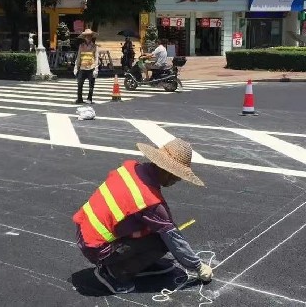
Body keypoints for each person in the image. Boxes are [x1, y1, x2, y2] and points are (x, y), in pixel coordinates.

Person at [73, 138, 213, 294]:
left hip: (85, 230)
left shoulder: (130, 168)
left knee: (154, 229)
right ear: (166, 171)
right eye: (176, 175)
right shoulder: (149, 201)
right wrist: (198, 266)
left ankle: (138, 263)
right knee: (163, 241)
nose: (178, 179)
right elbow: (174, 239)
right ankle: (114, 273)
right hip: (96, 247)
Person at [73, 29, 99, 104]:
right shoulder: (81, 46)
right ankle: (79, 99)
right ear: (84, 37)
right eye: (87, 36)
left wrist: (96, 69)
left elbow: (96, 58)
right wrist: (76, 67)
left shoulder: (95, 46)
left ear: (91, 37)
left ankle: (89, 98)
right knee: (79, 84)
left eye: (90, 36)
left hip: (91, 67)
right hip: (82, 68)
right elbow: (78, 57)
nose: (88, 37)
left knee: (91, 85)